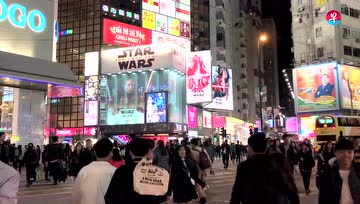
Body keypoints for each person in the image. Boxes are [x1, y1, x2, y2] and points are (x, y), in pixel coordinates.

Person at [230, 133, 299, 204]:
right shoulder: (277, 163)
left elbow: (237, 193)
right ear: (266, 148)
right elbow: (290, 189)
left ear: (250, 148)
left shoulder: (244, 166)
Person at [105, 138, 168, 204]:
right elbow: (162, 196)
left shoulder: (121, 170)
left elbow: (109, 197)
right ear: (147, 152)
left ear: (131, 153)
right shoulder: (156, 171)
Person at [73, 138, 116, 204]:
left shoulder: (84, 171)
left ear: (95, 152)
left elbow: (76, 195)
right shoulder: (115, 172)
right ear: (111, 153)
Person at [318, 138, 360, 204]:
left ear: (353, 153)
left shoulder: (358, 172)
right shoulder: (327, 176)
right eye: (341, 152)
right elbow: (323, 199)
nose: (346, 155)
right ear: (335, 154)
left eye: (349, 152)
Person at [191, 138, 214, 204]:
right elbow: (208, 159)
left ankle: (202, 197)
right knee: (202, 182)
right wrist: (211, 168)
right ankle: (200, 194)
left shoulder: (191, 151)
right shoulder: (203, 149)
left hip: (196, 169)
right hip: (204, 168)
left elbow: (191, 161)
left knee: (197, 184)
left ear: (192, 143)